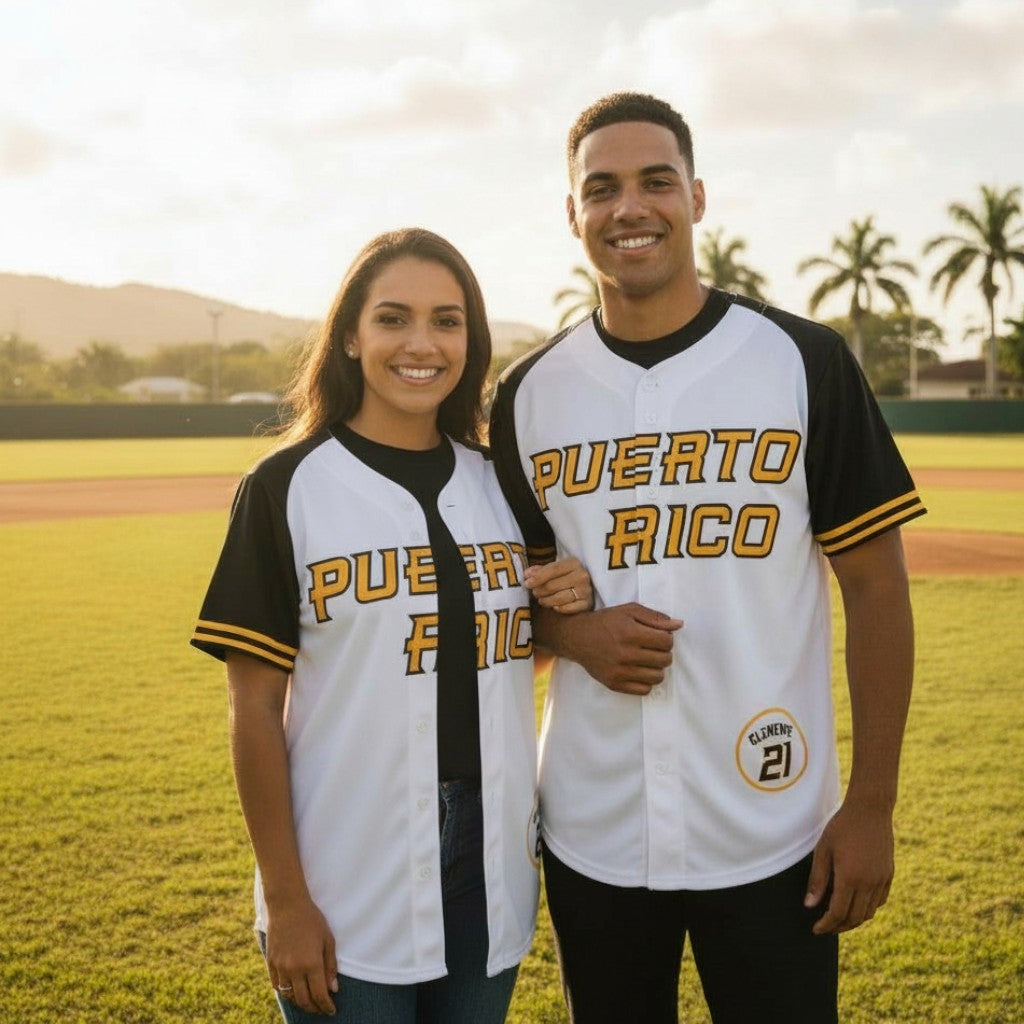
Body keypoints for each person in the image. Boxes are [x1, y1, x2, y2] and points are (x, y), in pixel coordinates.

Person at [489, 93, 926, 1024]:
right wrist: (573, 631)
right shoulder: (525, 395)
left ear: (696, 195)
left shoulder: (801, 361)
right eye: (600, 188)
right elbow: (509, 602)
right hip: (592, 827)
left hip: (774, 825)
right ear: (572, 213)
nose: (629, 208)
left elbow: (878, 586)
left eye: (656, 181)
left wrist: (873, 805)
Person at [191, 227, 591, 1024]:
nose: (422, 343)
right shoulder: (286, 487)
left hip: (490, 858)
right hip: (345, 860)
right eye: (393, 318)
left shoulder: (500, 483)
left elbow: (494, 656)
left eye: (448, 321)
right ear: (349, 335)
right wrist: (286, 897)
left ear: (470, 340)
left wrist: (558, 605)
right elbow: (253, 710)